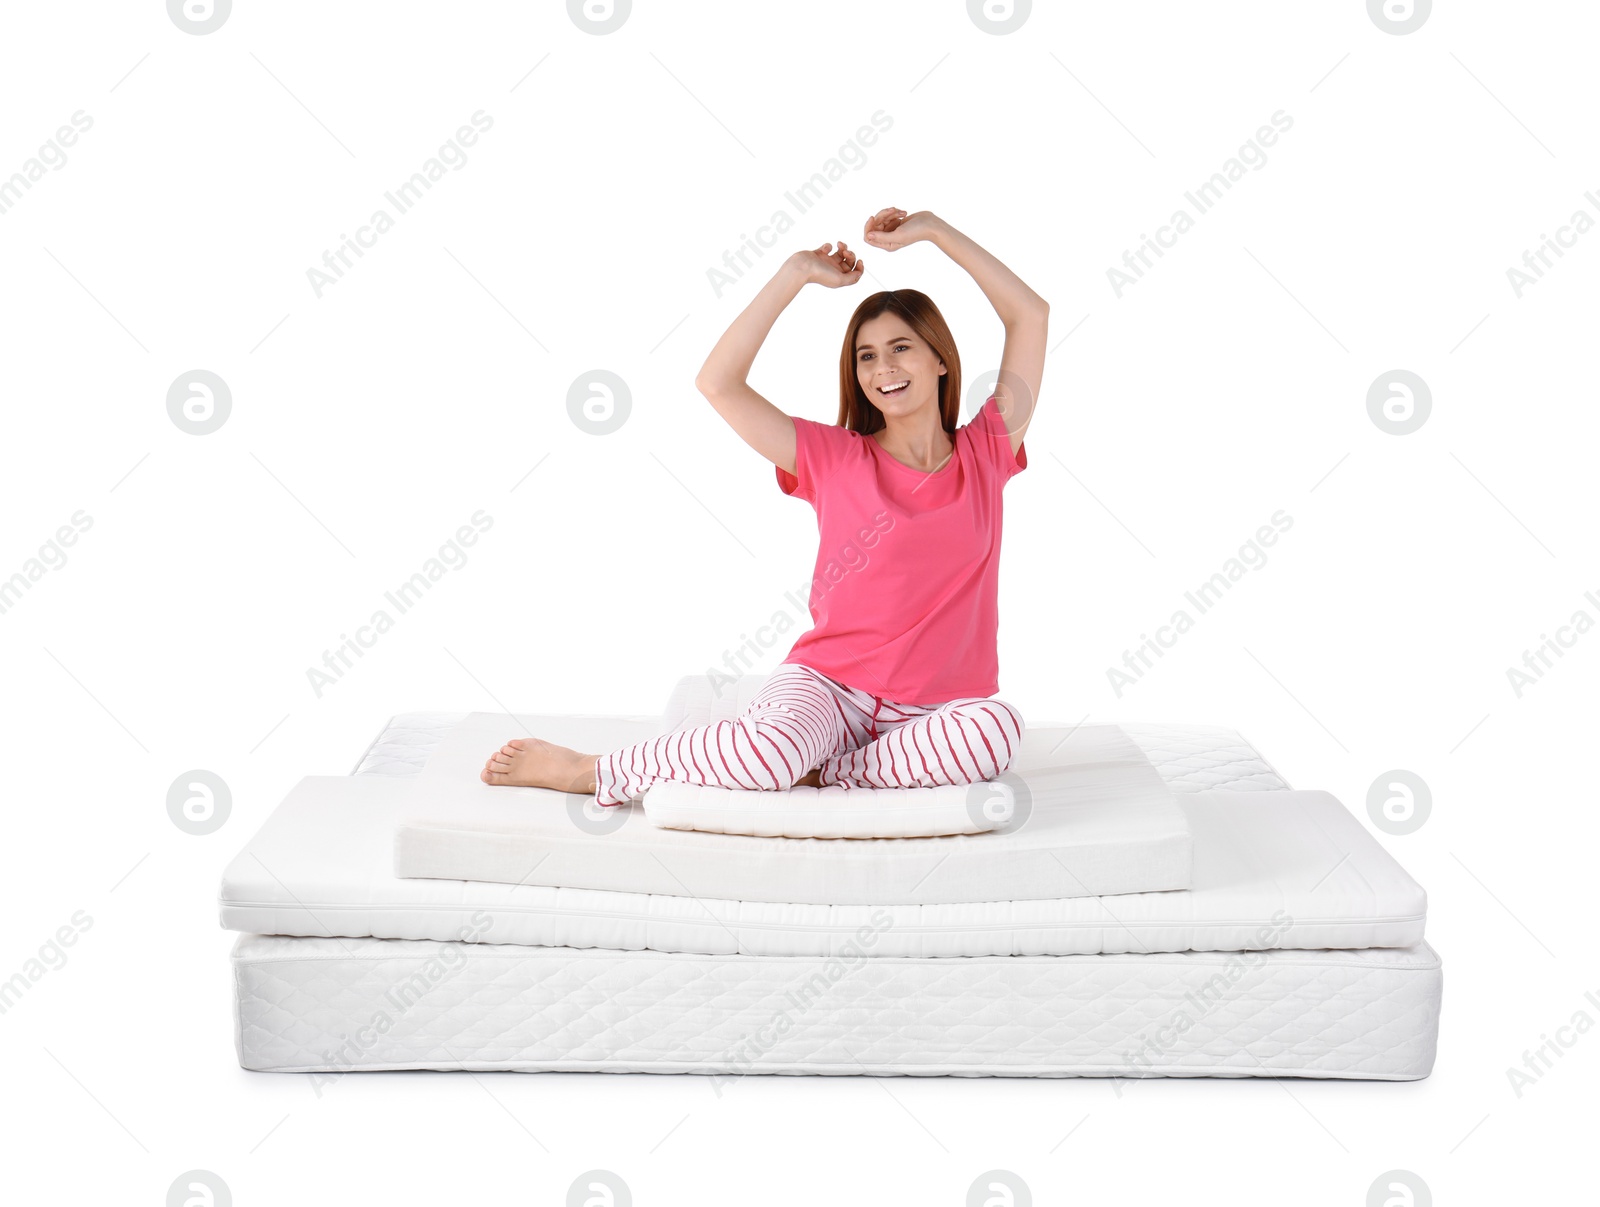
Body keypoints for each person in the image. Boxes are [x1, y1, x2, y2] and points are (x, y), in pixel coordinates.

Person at [482, 207, 1048, 806]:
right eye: (866, 356)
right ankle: (590, 769)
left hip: (938, 712)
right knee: (772, 752)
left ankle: (826, 771)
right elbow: (718, 383)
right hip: (828, 689)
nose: (883, 368)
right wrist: (795, 272)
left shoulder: (987, 449)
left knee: (995, 733)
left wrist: (934, 231)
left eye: (901, 348)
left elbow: (1029, 314)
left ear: (940, 358)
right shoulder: (834, 456)